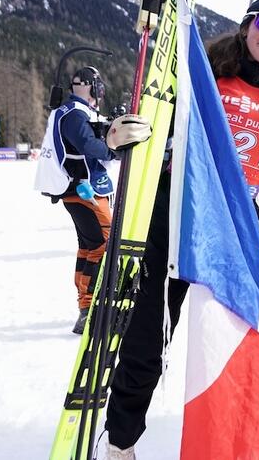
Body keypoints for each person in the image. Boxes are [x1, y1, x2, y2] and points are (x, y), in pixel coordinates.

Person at [105, 0, 259, 459]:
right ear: (246, 25)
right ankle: (121, 441)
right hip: (174, 217)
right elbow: (148, 117)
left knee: (227, 344)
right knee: (146, 341)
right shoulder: (206, 73)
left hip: (230, 235)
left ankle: (223, 442)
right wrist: (116, 134)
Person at [34, 67, 152, 334]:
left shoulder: (71, 112)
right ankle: (89, 308)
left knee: (90, 247)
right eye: (98, 87)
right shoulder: (74, 113)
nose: (101, 92)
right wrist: (114, 150)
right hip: (84, 190)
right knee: (103, 246)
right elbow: (88, 145)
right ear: (89, 86)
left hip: (78, 190)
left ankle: (86, 306)